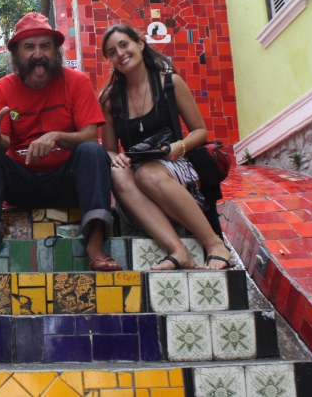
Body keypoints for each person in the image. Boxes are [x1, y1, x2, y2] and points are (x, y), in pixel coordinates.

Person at [0, 12, 121, 272]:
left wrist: (56, 136)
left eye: (45, 46)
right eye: (29, 47)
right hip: (22, 184)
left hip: (68, 182)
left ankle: (95, 248)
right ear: (16, 54)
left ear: (55, 51)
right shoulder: (3, 88)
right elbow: (1, 145)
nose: (38, 54)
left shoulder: (76, 81)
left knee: (92, 151)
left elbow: (90, 135)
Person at [99, 24, 232, 270]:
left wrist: (178, 147)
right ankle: (178, 251)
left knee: (147, 174)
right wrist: (115, 157)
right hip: (137, 170)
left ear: (140, 44)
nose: (120, 54)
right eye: (112, 52)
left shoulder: (170, 83)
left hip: (175, 163)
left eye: (124, 45)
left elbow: (200, 131)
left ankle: (215, 244)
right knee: (118, 172)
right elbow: (109, 148)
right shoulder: (109, 99)